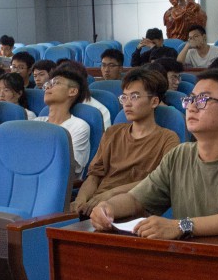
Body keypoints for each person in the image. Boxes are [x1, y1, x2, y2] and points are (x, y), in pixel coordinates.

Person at [90, 67, 218, 239]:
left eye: (202, 100)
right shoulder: (179, 155)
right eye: (190, 99)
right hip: (184, 254)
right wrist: (108, 207)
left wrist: (183, 226)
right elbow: (136, 199)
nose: (191, 107)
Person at [72, 67, 179, 218]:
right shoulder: (112, 132)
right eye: (124, 97)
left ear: (154, 101)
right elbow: (94, 176)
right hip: (96, 206)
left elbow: (159, 181)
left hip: (133, 210)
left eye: (134, 97)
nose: (127, 103)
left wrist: (111, 194)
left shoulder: (168, 138)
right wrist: (80, 200)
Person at [39, 67, 91, 176]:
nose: (47, 87)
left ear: (72, 91)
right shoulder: (35, 123)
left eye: (56, 83)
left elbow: (69, 168)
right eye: (48, 84)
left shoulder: (78, 126)